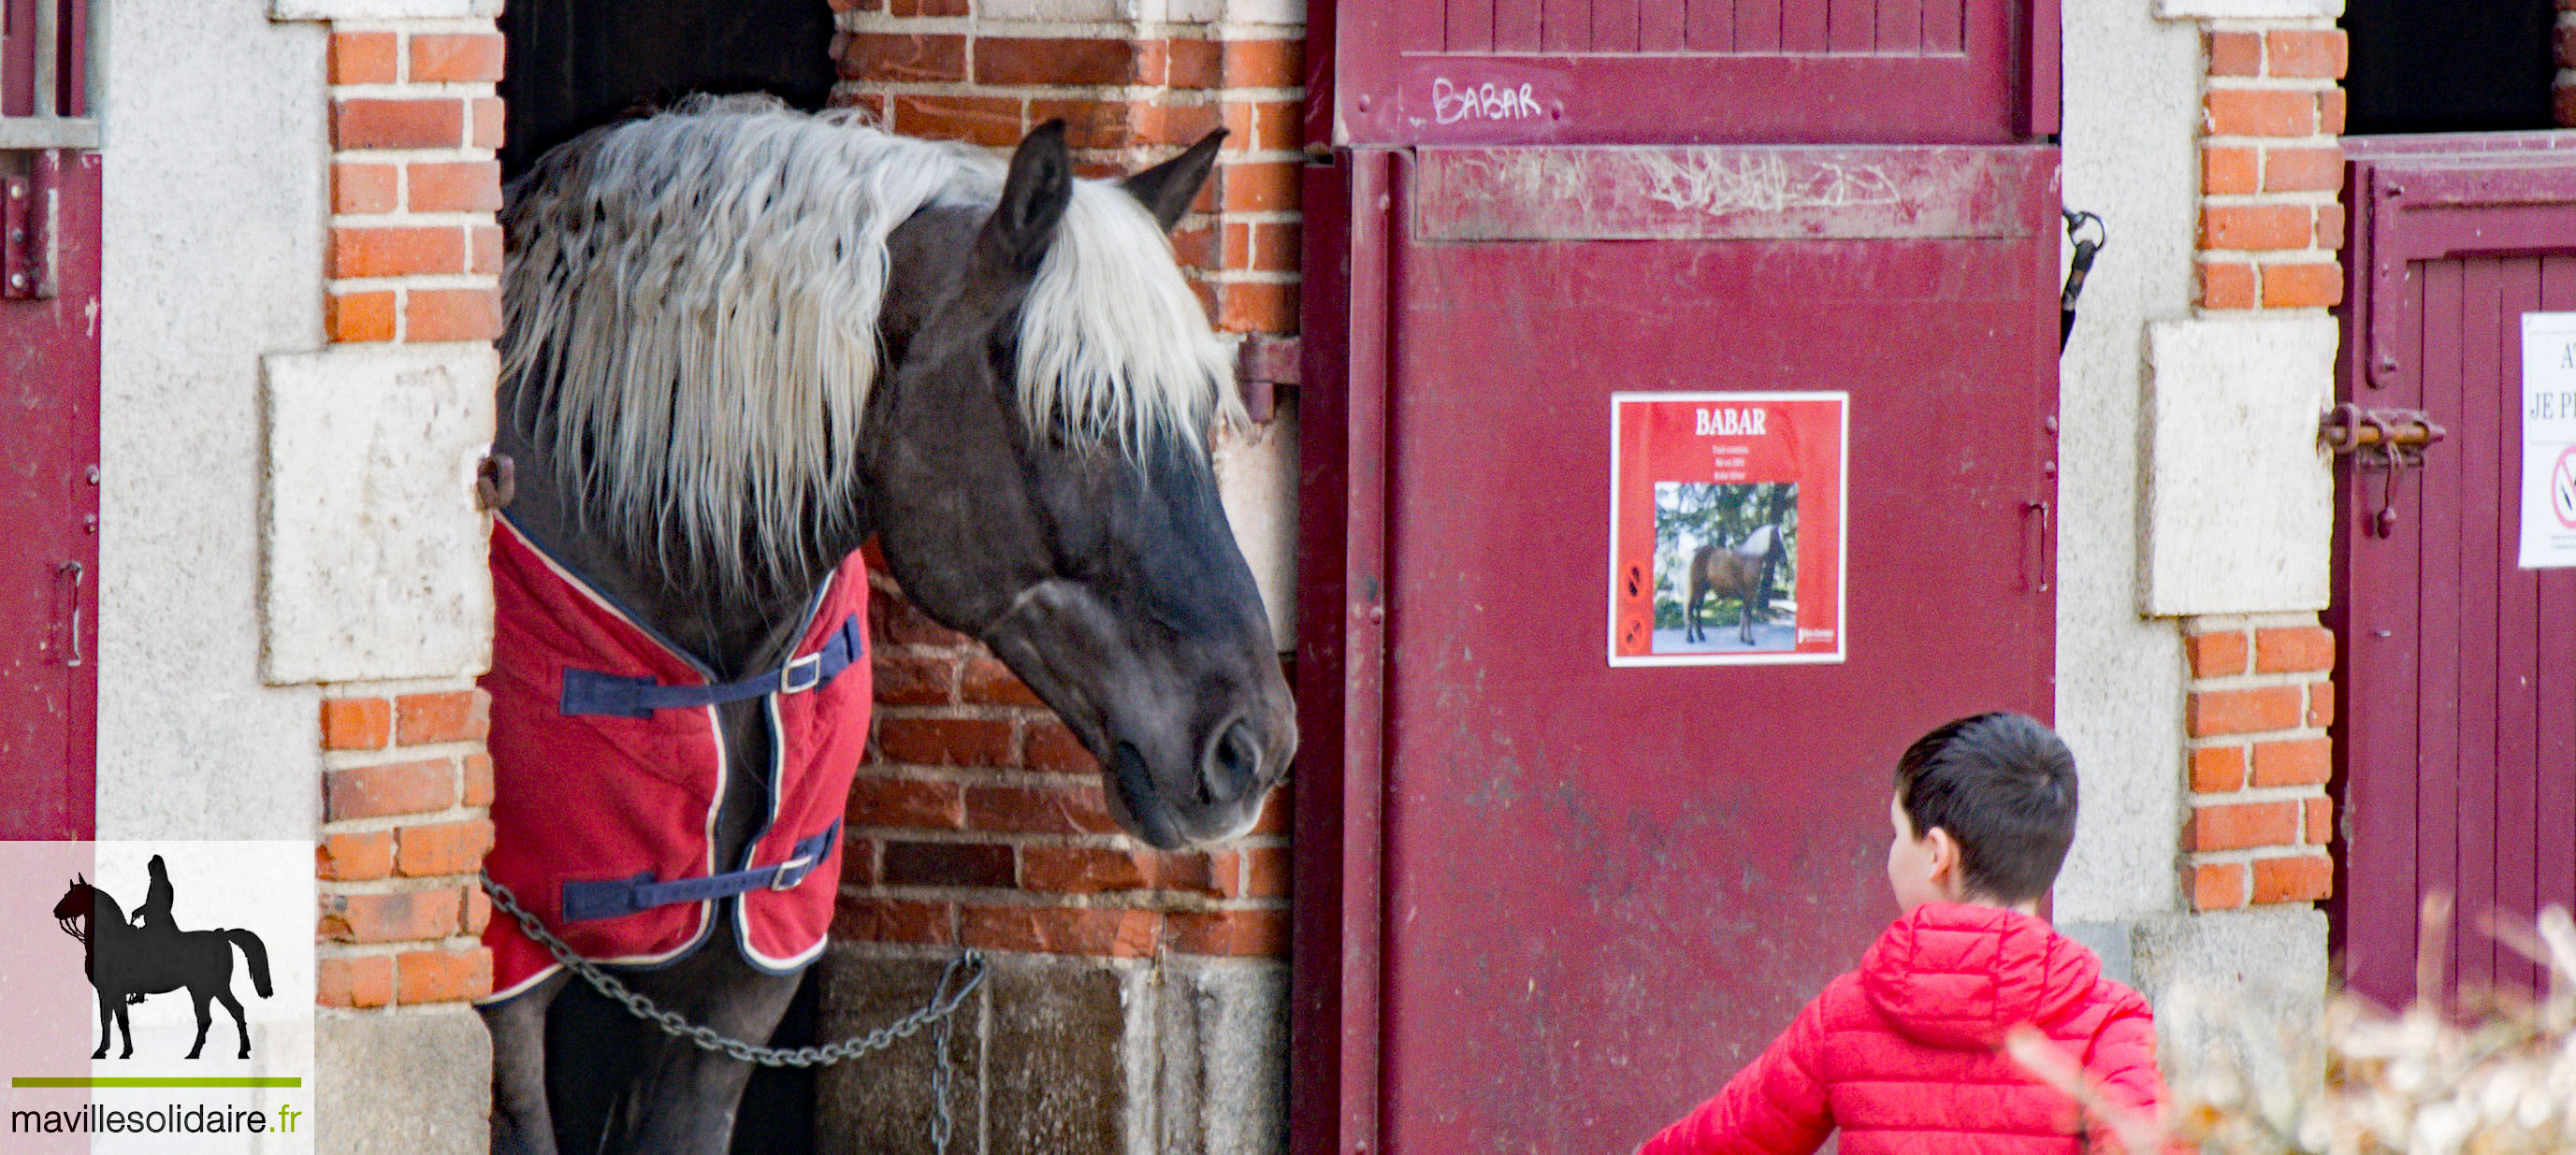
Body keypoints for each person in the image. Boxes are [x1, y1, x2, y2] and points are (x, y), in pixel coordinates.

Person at [1638, 712, 2166, 1155]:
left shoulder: (1846, 1014)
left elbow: (1728, 1139)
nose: (1891, 854)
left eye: (1898, 835)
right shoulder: (2107, 1023)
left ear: (1937, 855)